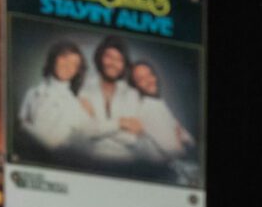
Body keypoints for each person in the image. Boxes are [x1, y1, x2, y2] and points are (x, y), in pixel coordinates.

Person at [79, 38, 158, 170]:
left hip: (126, 165)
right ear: (100, 58)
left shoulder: (132, 94)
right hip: (90, 164)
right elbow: (84, 132)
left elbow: (132, 139)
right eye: (109, 57)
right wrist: (121, 123)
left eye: (119, 59)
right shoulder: (84, 89)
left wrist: (97, 123)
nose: (113, 63)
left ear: (124, 65)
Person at [18, 39, 98, 160]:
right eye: (64, 58)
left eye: (74, 64)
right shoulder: (33, 92)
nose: (67, 66)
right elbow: (19, 126)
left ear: (77, 71)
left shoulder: (74, 104)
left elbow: (50, 143)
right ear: (54, 58)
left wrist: (24, 127)